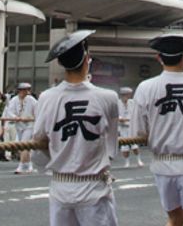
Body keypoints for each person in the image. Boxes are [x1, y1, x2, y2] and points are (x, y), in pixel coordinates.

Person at [32, 29, 120, 226]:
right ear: (88, 58)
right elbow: (111, 145)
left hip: (60, 185)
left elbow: (38, 143)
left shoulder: (46, 97)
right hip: (94, 185)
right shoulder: (108, 98)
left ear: (61, 63)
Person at [132, 33, 183, 226]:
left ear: (158, 58)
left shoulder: (145, 88)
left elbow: (139, 133)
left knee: (174, 219)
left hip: (163, 166)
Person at [2, 82, 38, 174]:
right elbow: (10, 112)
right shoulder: (14, 100)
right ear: (19, 91)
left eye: (26, 90)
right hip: (19, 125)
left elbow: (38, 110)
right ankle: (29, 164)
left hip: (30, 125)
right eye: (23, 90)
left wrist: (32, 117)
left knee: (24, 144)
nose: (24, 92)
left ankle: (21, 166)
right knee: (22, 146)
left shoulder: (31, 99)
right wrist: (15, 117)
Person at [118, 87, 142, 168]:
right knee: (125, 146)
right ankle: (127, 162)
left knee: (134, 145)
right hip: (122, 127)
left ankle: (139, 160)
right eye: (127, 95)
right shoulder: (117, 103)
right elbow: (115, 115)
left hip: (132, 126)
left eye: (129, 95)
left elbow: (137, 113)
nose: (128, 97)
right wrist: (120, 119)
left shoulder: (132, 102)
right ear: (122, 95)